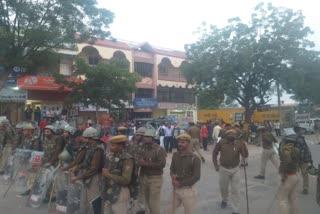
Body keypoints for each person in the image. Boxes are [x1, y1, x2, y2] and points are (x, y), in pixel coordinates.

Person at [212, 129, 249, 214]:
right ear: (226, 135)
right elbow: (215, 153)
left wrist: (244, 146)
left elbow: (245, 155)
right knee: (223, 188)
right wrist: (216, 165)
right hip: (224, 169)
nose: (231, 135)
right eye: (229, 134)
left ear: (235, 136)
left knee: (235, 190)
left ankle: (235, 209)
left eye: (233, 134)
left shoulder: (239, 143)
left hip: (235, 169)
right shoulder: (221, 142)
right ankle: (224, 200)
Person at [70, 127, 104, 214]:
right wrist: (78, 167)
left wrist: (78, 177)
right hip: (88, 176)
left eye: (86, 138)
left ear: (92, 139)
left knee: (95, 198)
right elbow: (86, 163)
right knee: (86, 200)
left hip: (95, 177)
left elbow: (94, 168)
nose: (85, 140)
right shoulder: (90, 147)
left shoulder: (98, 149)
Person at [165, 133, 201, 214]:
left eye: (183, 142)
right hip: (176, 189)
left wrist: (180, 183)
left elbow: (196, 176)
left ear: (188, 143)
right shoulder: (175, 155)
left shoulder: (194, 158)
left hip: (188, 190)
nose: (180, 144)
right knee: (168, 211)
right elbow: (172, 169)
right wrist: (172, 177)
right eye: (179, 142)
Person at [101, 135, 134, 213]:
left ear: (120, 146)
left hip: (120, 192)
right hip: (109, 191)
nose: (110, 147)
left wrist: (108, 175)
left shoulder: (127, 159)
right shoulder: (110, 156)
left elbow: (126, 180)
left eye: (113, 145)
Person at [138, 129, 166, 214]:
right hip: (144, 177)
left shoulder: (159, 149)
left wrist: (145, 164)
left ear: (152, 138)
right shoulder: (143, 148)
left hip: (155, 178)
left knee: (153, 203)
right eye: (144, 137)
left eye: (147, 137)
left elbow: (162, 164)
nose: (144, 138)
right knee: (146, 201)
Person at [277, 134, 301, 214]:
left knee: (282, 199)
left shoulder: (286, 151)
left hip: (289, 176)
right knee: (293, 198)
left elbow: (286, 163)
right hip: (296, 174)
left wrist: (283, 175)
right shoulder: (296, 149)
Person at [294, 125, 313, 194]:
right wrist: (309, 159)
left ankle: (293, 187)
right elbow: (303, 150)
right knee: (304, 174)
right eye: (302, 130)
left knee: (295, 174)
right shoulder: (299, 139)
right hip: (302, 160)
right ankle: (305, 188)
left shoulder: (296, 138)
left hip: (296, 160)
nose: (303, 131)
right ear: (298, 131)